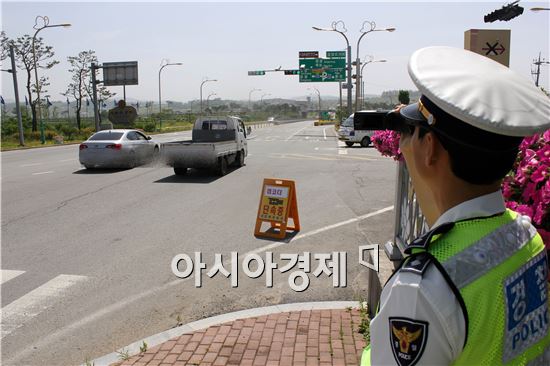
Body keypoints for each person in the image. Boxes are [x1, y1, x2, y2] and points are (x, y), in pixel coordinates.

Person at [361, 46, 550, 365]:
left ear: (430, 148)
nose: (404, 141)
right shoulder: (524, 235)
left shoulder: (421, 290)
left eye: (412, 131)